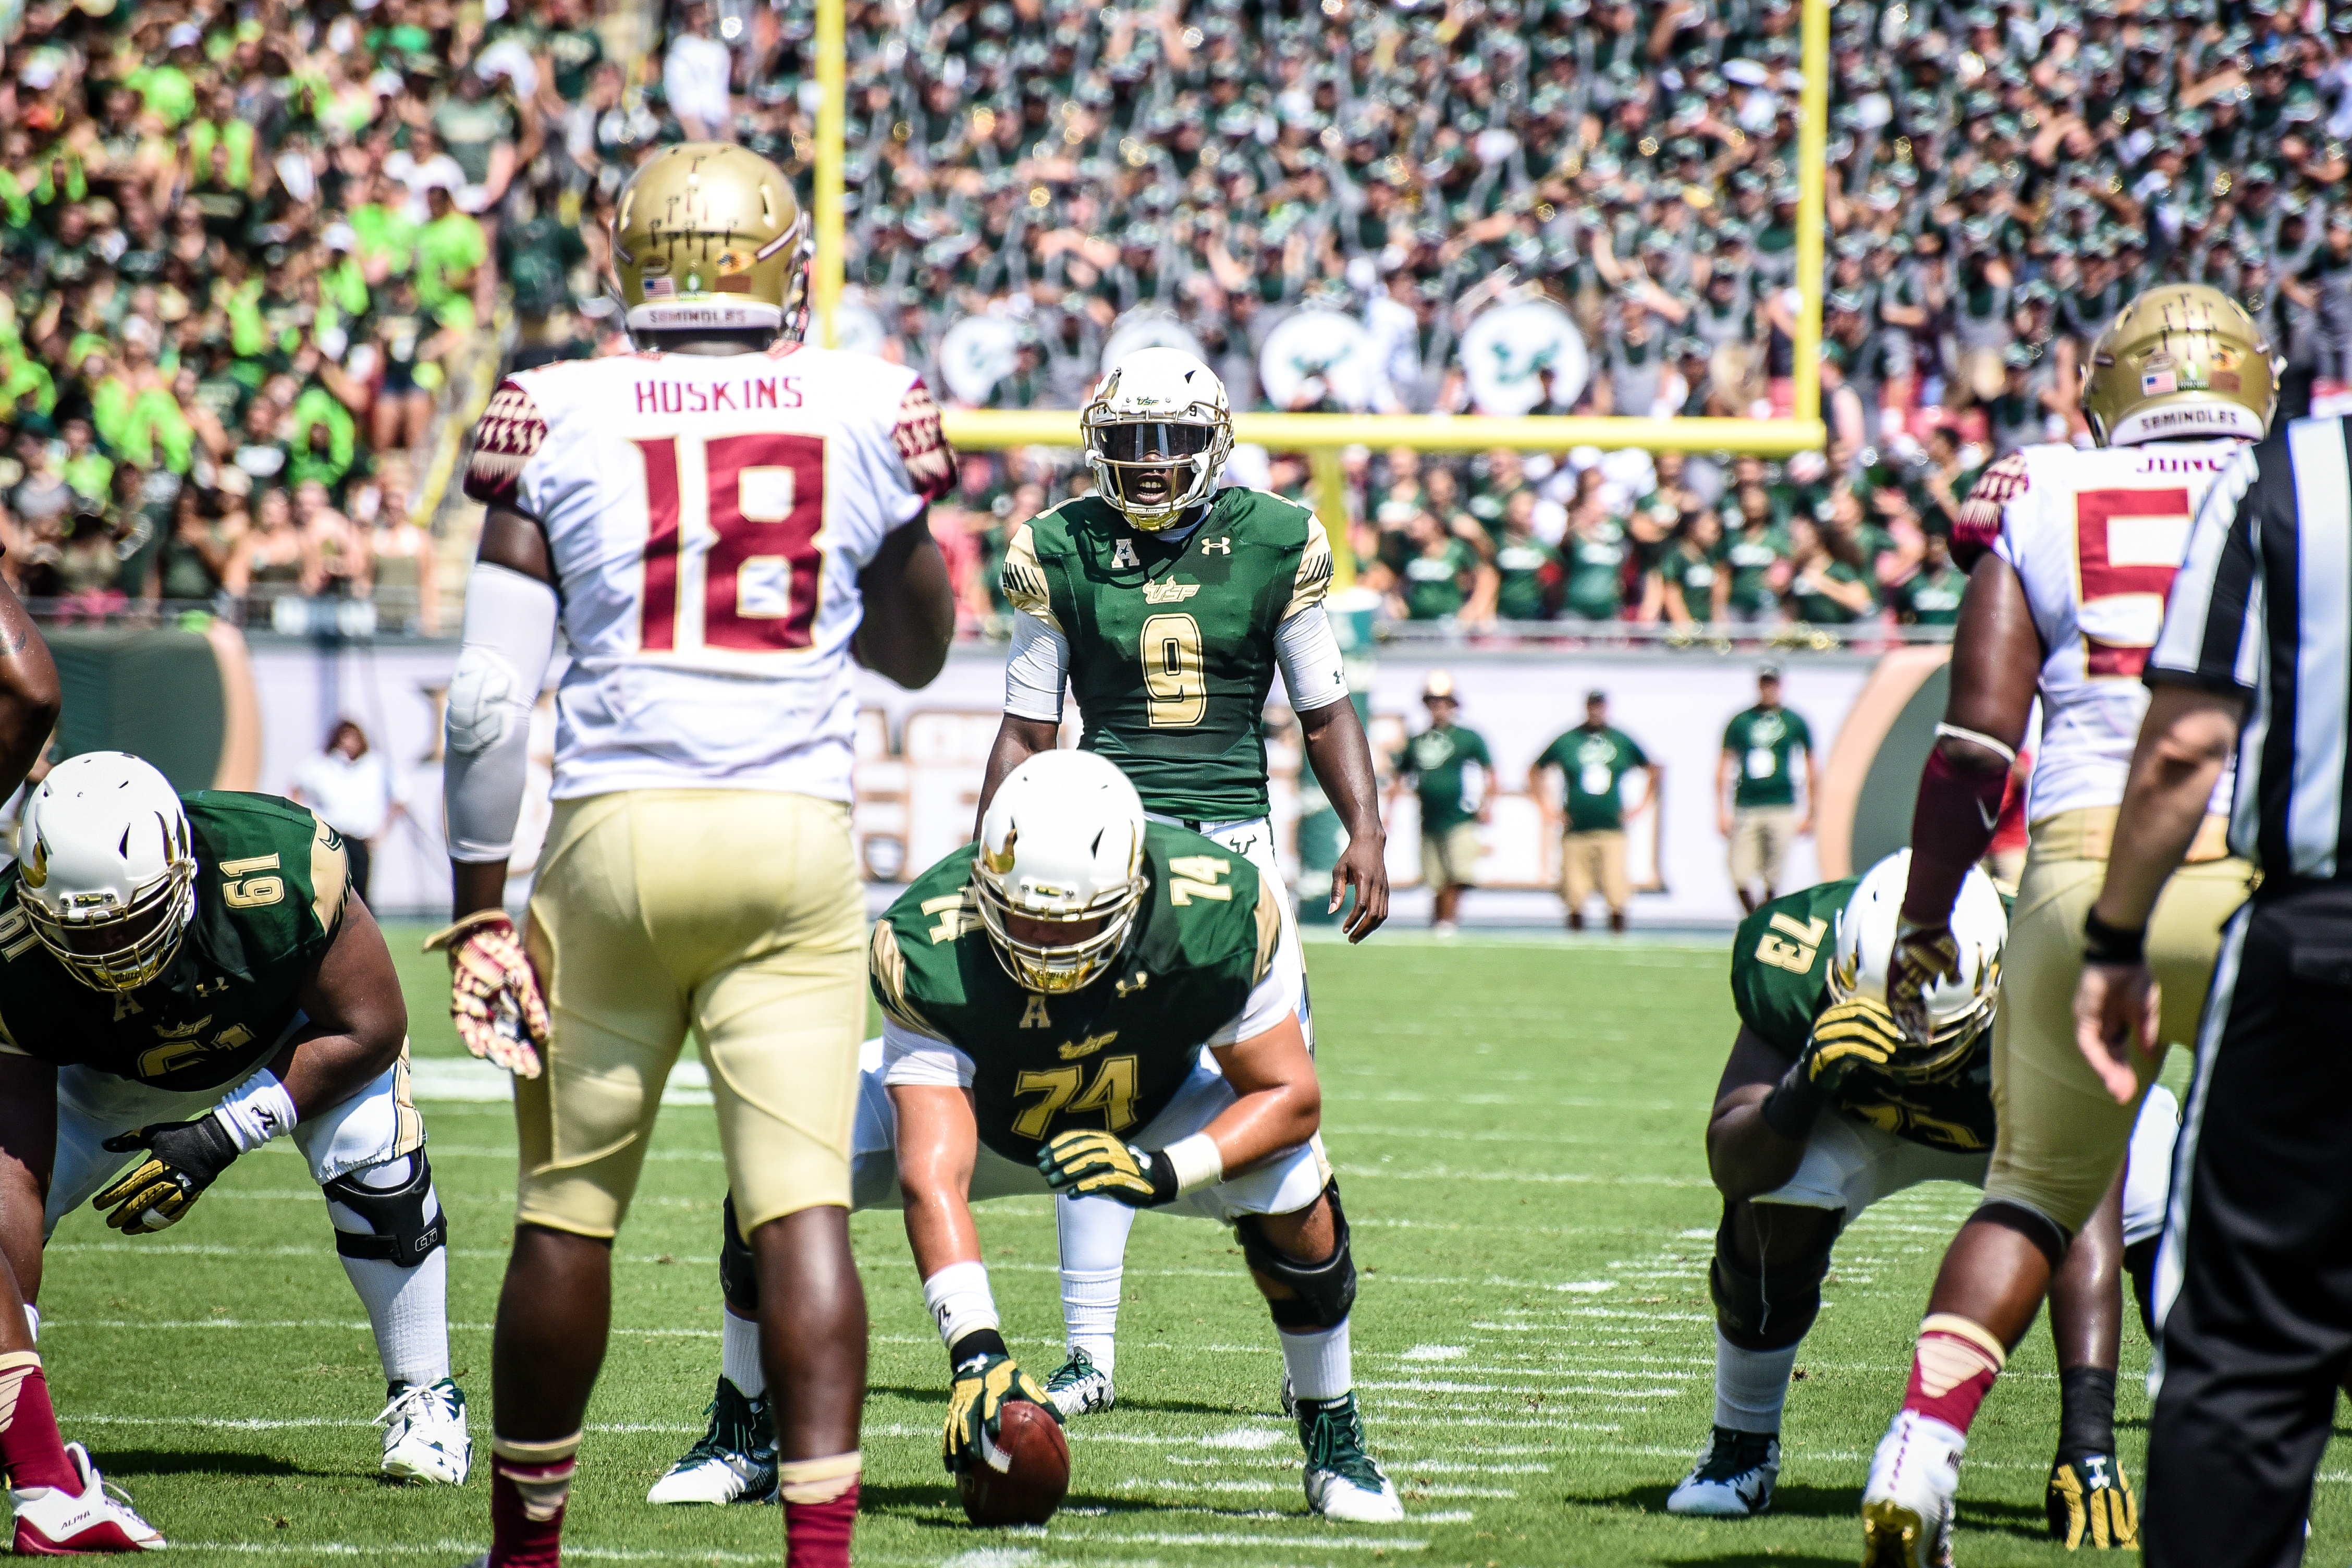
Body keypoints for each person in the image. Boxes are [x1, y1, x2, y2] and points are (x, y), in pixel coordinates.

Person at [654, 344, 1390, 1485]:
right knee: (853, 1135)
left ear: (1213, 443)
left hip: (1219, 861)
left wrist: (1368, 829)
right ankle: (1032, 1363)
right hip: (1078, 843)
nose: (1147, 467)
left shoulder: (1280, 537)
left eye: (1169, 444)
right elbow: (1030, 720)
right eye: (1130, 442)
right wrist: (996, 846)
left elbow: (1326, 703)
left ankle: (1327, 1431)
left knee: (1277, 1162)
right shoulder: (1059, 546)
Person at [436, 143, 956, 1568]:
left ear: (629, 264)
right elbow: (918, 654)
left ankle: (528, 1553)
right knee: (800, 1216)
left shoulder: (551, 406)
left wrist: (483, 911)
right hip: (792, 841)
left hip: (609, 842)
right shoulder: (863, 398)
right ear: (783, 265)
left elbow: (489, 699)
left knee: (566, 1216)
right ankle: (821, 1555)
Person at [1861, 285, 2276, 1565]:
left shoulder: (2038, 485)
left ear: (2109, 385)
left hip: (2080, 867)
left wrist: (1926, 912)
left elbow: (1974, 745)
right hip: (2267, 874)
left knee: (2032, 1189)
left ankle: (1917, 1453)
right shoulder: (2310, 479)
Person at [869, 750, 1402, 1521]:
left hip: (1151, 1094)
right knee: (788, 1164)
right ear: (985, 880)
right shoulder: (928, 935)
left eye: (1077, 921)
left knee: (1293, 1181)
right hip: (983, 1105)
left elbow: (1290, 1096)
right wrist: (975, 1347)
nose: (1047, 948)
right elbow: (932, 1171)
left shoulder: (1213, 910)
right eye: (1024, 917)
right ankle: (743, 1431)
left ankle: (1333, 1436)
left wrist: (1163, 1171)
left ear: (1133, 887)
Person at [0, 751, 476, 1546]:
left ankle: (427, 1394)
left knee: (373, 1149)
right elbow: (13, 1160)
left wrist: (223, 1133)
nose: (112, 953)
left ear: (182, 868)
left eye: (131, 918)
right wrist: (21, 1357)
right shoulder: (13, 948)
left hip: (281, 1045)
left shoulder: (276, 861)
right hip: (105, 1076)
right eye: (85, 933)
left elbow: (370, 1027)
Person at [1664, 852, 2169, 1533]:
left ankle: (2211, 1450)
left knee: (2166, 1194)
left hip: (2015, 1121)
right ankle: (1741, 1447)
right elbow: (1735, 1165)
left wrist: (2089, 1436)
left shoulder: (2055, 976)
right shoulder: (1799, 952)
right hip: (1856, 1117)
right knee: (1771, 1198)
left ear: (1996, 980)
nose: (1912, 1061)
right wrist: (1805, 1081)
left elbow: (2087, 1214)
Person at [2066, 400, 2352, 1568]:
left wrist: (2115, 935)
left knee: (2244, 1350)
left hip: (2324, 944)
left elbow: (2185, 744)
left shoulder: (2295, 474)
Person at [1529, 691, 1657, 933]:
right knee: (1574, 892)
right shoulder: (1569, 740)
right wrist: (1546, 807)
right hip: (1576, 828)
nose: (1596, 711)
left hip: (1611, 828)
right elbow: (1536, 768)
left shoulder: (1620, 740)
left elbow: (1651, 768)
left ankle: (1617, 938)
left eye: (1600, 707)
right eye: (1592, 706)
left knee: (1616, 890)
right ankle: (1577, 939)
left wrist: (1641, 806)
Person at [1388, 671, 1490, 937]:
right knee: (1435, 877)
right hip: (1429, 818)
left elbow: (1489, 772)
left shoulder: (1467, 738)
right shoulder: (1417, 741)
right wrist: (1388, 812)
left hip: (1459, 816)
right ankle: (1440, 923)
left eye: (1443, 702)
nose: (1438, 708)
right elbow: (1401, 777)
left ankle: (1448, 922)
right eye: (1433, 702)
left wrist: (1487, 803)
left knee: (1457, 873)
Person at [1718, 666, 1818, 914]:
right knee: (1738, 871)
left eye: (1773, 684)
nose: (1769, 689)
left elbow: (1811, 766)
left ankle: (1764, 918)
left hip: (1781, 804)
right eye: (1765, 684)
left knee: (1773, 873)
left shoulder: (1794, 721)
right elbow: (1724, 766)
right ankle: (1754, 916)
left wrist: (1812, 810)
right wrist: (1721, 810)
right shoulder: (1741, 721)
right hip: (1747, 804)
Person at [289, 720, 405, 903]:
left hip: (360, 840)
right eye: (343, 737)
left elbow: (401, 796)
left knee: (360, 896)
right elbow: (296, 788)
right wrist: (304, 825)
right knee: (329, 894)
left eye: (353, 737)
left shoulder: (376, 765)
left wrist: (383, 831)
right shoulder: (321, 764)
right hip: (330, 839)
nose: (348, 743)